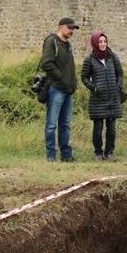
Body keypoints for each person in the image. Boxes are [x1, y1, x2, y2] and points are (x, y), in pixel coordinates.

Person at [80, 31, 124, 161]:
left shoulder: (113, 57)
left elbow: (120, 73)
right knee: (98, 128)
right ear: (95, 43)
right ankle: (98, 153)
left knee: (111, 129)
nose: (103, 44)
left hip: (113, 98)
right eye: (100, 42)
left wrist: (118, 86)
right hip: (98, 99)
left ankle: (109, 152)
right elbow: (84, 77)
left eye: (105, 41)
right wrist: (94, 87)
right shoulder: (89, 59)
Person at [41, 17, 79, 162]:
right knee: (51, 125)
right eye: (69, 28)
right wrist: (61, 77)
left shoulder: (67, 45)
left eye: (73, 28)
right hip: (56, 89)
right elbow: (46, 63)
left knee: (65, 125)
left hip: (68, 90)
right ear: (61, 26)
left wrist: (72, 83)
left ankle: (66, 155)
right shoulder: (52, 41)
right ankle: (51, 156)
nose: (71, 31)